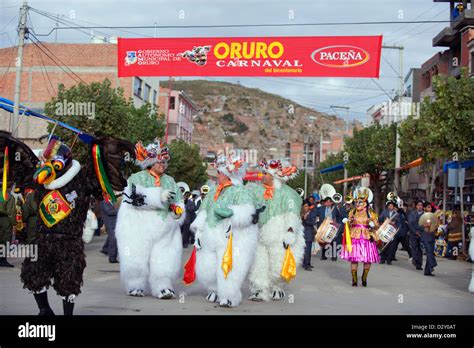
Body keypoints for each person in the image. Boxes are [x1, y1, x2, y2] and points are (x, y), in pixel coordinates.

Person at [116, 139, 185, 299]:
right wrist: (157, 197)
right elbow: (133, 199)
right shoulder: (136, 178)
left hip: (165, 228)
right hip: (140, 226)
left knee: (164, 257)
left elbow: (178, 200)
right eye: (159, 161)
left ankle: (163, 286)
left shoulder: (170, 181)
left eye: (164, 162)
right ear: (150, 162)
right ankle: (135, 285)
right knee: (137, 256)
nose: (163, 164)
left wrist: (178, 210)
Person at [191, 154, 258, 307]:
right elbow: (203, 211)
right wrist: (199, 231)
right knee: (208, 266)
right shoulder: (213, 191)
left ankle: (230, 296)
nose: (217, 175)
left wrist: (233, 213)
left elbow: (248, 211)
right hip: (211, 236)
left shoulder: (240, 191)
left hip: (231, 238)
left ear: (228, 174)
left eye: (220, 172)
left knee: (229, 266)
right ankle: (213, 289)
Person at [247, 158, 304, 302]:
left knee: (277, 263)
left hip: (278, 236)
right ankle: (259, 289)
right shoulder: (256, 191)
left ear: (274, 175)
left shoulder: (288, 193)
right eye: (262, 173)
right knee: (258, 262)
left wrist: (290, 232)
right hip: (259, 234)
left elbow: (292, 214)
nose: (262, 176)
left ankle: (276, 287)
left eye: (265, 173)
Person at [341, 187, 379, 287]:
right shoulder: (352, 212)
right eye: (357, 202)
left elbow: (377, 225)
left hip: (367, 238)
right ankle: (354, 279)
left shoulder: (371, 213)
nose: (358, 204)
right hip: (355, 238)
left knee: (367, 259)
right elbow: (348, 224)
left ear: (366, 202)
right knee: (354, 259)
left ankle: (364, 277)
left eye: (360, 202)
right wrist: (347, 222)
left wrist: (373, 224)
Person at [315, 193, 342, 261]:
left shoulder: (334, 208)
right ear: (325, 202)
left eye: (330, 202)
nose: (328, 203)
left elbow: (339, 216)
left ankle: (334, 256)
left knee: (333, 241)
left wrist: (337, 223)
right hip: (323, 227)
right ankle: (324, 255)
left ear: (331, 202)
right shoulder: (320, 209)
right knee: (324, 241)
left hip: (332, 227)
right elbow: (314, 214)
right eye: (327, 202)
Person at [378, 199, 401, 265]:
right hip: (385, 230)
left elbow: (399, 223)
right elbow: (380, 219)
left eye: (392, 206)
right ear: (387, 206)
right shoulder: (384, 212)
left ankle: (389, 259)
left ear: (393, 207)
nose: (390, 207)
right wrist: (385, 221)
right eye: (389, 206)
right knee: (384, 245)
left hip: (392, 231)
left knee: (391, 246)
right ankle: (382, 258)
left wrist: (394, 223)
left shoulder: (396, 214)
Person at [100, 194, 121, 263]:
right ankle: (112, 258)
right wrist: (119, 210)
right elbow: (109, 212)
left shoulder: (109, 202)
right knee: (113, 240)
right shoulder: (104, 202)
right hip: (109, 224)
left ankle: (105, 250)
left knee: (111, 239)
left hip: (112, 224)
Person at [420, 201, 438, 276]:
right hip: (425, 237)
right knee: (429, 251)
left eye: (430, 207)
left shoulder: (433, 216)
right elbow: (417, 227)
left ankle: (427, 271)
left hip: (432, 236)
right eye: (428, 207)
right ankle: (432, 264)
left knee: (430, 252)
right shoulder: (422, 216)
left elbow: (435, 225)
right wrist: (424, 225)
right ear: (424, 208)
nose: (430, 208)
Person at [0, 186, 16, 267]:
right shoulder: (8, 195)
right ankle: (2, 260)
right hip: (5, 219)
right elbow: (11, 211)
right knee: (5, 239)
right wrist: (14, 223)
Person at [408, 200, 425, 271]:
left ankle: (419, 264)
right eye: (419, 205)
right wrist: (415, 232)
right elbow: (410, 224)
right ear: (416, 206)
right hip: (413, 234)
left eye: (421, 205)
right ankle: (414, 259)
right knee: (414, 248)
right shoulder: (412, 214)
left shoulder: (425, 214)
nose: (420, 206)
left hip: (422, 234)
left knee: (420, 250)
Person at [302, 201, 318, 270]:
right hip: (302, 234)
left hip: (309, 233)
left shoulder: (312, 214)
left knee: (308, 250)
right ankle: (305, 264)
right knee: (305, 250)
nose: (305, 208)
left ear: (309, 207)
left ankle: (307, 264)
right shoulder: (301, 214)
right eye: (304, 206)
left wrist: (305, 219)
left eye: (306, 206)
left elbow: (312, 222)